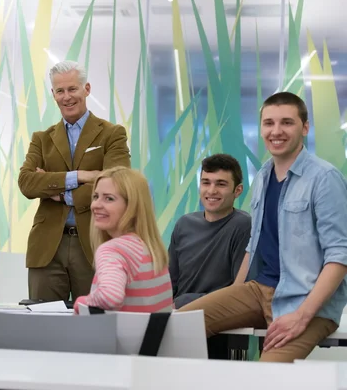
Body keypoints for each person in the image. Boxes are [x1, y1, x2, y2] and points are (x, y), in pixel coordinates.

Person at [180, 92, 347, 362]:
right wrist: (232, 294)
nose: (276, 131)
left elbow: (339, 256)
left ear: (305, 128)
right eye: (269, 123)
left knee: (263, 378)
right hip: (259, 289)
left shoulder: (325, 178)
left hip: (306, 301)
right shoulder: (263, 175)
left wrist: (302, 315)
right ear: (260, 128)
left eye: (287, 123)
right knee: (175, 328)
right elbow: (254, 245)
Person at [18, 60, 131, 302]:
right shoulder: (42, 139)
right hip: (47, 248)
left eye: (73, 89)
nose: (66, 97)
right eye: (60, 91)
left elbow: (117, 184)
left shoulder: (112, 134)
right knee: (44, 324)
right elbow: (27, 183)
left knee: (94, 327)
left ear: (86, 89)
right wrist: (81, 176)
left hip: (94, 242)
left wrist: (59, 193)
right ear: (53, 94)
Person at [74, 167, 173, 313]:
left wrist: (82, 302)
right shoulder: (151, 249)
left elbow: (111, 297)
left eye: (109, 198)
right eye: (96, 197)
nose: (96, 205)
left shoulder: (113, 250)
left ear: (132, 206)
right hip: (149, 336)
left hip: (120, 336)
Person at [169, 154, 251, 309]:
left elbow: (238, 292)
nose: (211, 191)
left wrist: (183, 301)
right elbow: (169, 282)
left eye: (221, 184)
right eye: (206, 183)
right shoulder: (184, 224)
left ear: (238, 190)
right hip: (176, 318)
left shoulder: (244, 226)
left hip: (220, 322)